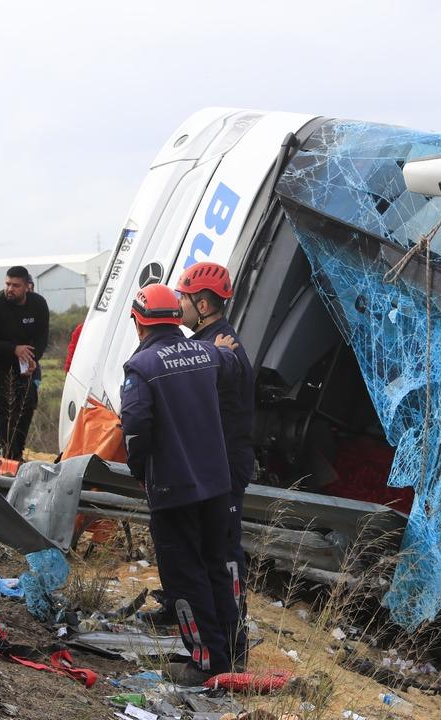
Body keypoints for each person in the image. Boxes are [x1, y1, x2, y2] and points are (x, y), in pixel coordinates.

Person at [119, 283, 243, 684]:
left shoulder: (141, 368)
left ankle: (205, 664)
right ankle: (231, 655)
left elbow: (136, 430)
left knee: (184, 577)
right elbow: (231, 363)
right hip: (217, 486)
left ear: (139, 323)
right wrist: (225, 349)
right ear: (176, 318)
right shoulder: (209, 354)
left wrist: (141, 473)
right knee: (216, 570)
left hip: (173, 490)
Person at [175, 261, 255, 668]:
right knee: (213, 553)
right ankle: (224, 643)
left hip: (225, 468)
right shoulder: (213, 341)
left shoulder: (224, 348)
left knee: (224, 556)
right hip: (215, 466)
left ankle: (233, 649)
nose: (178, 306)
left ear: (203, 304)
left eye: (183, 299)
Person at [0, 265, 49, 460]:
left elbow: (41, 338)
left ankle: (17, 451)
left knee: (28, 400)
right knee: (4, 402)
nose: (10, 289)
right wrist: (13, 349)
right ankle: (5, 450)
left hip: (22, 356)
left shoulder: (38, 304)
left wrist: (33, 360)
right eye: (7, 284)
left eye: (16, 285)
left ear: (27, 287)